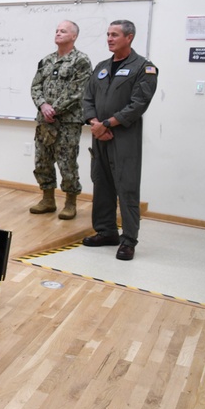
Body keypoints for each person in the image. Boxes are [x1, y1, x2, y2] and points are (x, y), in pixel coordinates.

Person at [81, 20, 158, 261]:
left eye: (115, 35)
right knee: (101, 183)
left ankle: (128, 241)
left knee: (127, 187)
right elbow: (87, 98)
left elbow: (138, 105)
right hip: (99, 135)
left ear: (130, 37)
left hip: (123, 136)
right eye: (108, 34)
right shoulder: (101, 67)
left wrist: (108, 124)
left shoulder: (144, 68)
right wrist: (95, 123)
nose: (109, 39)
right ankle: (106, 232)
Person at [29, 20, 92, 220]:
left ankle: (70, 203)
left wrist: (54, 109)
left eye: (63, 31)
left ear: (74, 36)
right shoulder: (46, 61)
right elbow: (35, 86)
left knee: (67, 163)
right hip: (44, 121)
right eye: (56, 30)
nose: (58, 33)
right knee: (42, 161)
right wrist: (43, 106)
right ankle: (48, 199)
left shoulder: (81, 61)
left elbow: (78, 91)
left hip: (67, 122)